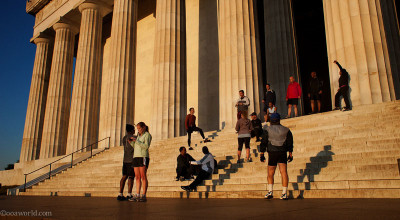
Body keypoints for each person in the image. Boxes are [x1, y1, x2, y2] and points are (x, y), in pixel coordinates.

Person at [260, 113, 294, 200]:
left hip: (272, 152)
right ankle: (284, 193)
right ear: (279, 120)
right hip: (282, 151)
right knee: (284, 172)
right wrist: (290, 153)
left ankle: (270, 191)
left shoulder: (267, 129)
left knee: (270, 173)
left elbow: (264, 141)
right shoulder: (286, 130)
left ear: (271, 120)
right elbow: (290, 142)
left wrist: (262, 153)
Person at [128, 122, 152, 202]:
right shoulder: (138, 136)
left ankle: (144, 195)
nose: (138, 130)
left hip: (143, 156)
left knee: (143, 176)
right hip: (136, 156)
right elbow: (136, 146)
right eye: (137, 129)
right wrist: (131, 143)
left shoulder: (147, 135)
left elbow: (146, 146)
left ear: (144, 127)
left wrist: (136, 141)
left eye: (139, 128)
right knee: (137, 177)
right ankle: (137, 194)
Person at [117, 124, 136, 201]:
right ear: (131, 131)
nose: (135, 131)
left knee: (124, 176)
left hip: (125, 160)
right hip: (131, 159)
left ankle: (120, 194)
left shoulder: (124, 138)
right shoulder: (133, 137)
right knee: (131, 177)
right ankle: (129, 194)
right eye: (134, 129)